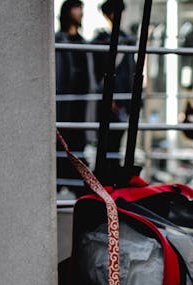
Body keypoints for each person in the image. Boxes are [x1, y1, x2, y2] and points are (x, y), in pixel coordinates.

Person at [55, 0, 95, 194]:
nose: (80, 12)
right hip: (63, 106)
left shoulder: (82, 42)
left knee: (77, 147)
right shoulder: (58, 40)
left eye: (81, 8)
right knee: (61, 149)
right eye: (76, 8)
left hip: (80, 104)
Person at [92, 0, 136, 168]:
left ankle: (110, 177)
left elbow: (130, 70)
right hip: (110, 98)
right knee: (107, 141)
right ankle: (107, 177)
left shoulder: (126, 39)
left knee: (115, 142)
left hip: (123, 98)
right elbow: (98, 73)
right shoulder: (102, 40)